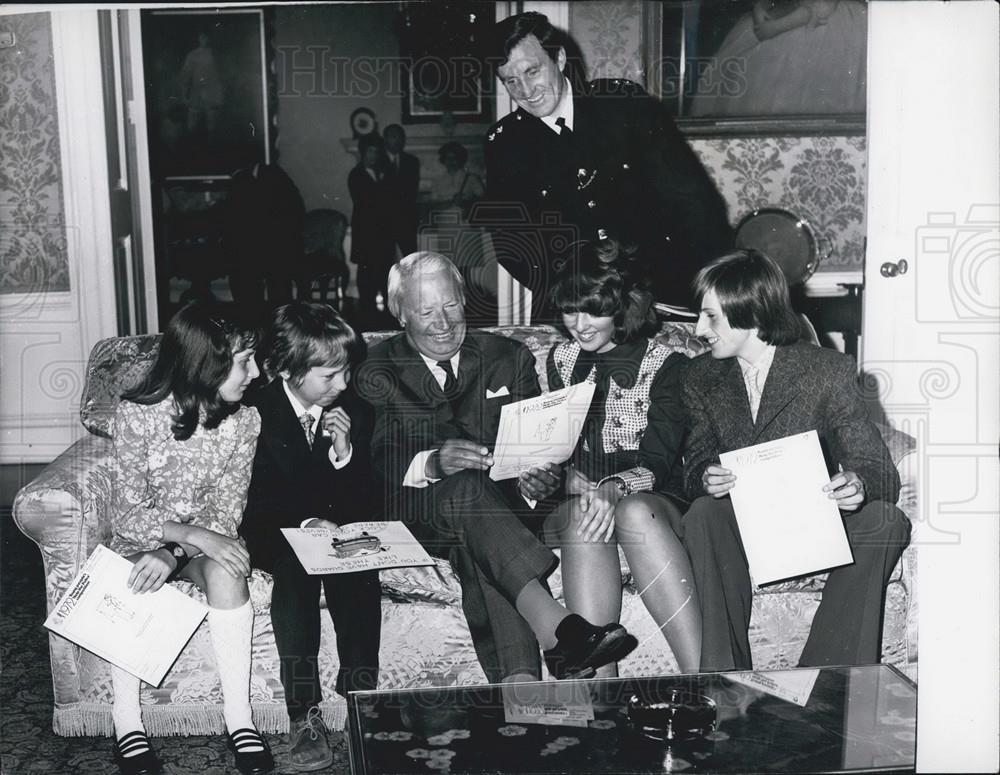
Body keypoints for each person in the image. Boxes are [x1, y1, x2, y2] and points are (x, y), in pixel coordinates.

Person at [354, 251, 638, 683]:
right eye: (426, 311)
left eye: (450, 306)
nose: (443, 322)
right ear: (400, 315)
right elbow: (379, 458)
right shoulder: (377, 367)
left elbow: (537, 444)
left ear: (464, 300)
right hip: (420, 512)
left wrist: (538, 481)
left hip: (500, 513)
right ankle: (559, 631)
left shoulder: (507, 355)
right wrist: (433, 462)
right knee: (467, 489)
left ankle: (523, 692)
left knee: (481, 539)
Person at [680, 249, 911, 671]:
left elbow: (878, 468)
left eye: (710, 317)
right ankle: (726, 681)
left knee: (886, 520)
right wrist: (704, 477)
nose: (698, 329)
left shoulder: (827, 370)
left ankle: (826, 681)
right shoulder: (700, 377)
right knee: (702, 513)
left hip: (811, 526)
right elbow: (693, 464)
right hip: (742, 531)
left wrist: (858, 486)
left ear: (750, 312)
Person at [480, 11, 733, 319]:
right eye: (511, 81)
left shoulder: (624, 108)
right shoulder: (504, 144)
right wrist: (582, 296)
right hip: (572, 309)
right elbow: (512, 245)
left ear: (558, 59)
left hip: (661, 299)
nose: (526, 91)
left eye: (532, 72)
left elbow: (694, 204)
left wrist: (709, 291)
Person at [107, 304, 272, 775]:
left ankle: (239, 719)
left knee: (229, 570)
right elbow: (128, 512)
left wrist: (180, 548)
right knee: (132, 575)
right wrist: (181, 538)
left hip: (197, 546)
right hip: (143, 538)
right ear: (207, 364)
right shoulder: (138, 416)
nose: (255, 373)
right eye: (245, 361)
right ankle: (128, 725)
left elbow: (227, 509)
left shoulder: (244, 423)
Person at [543, 241, 702, 676]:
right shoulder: (560, 361)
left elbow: (660, 460)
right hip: (579, 499)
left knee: (628, 510)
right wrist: (567, 478)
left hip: (650, 493)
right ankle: (603, 697)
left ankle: (703, 676)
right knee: (584, 513)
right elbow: (552, 446)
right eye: (570, 311)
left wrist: (614, 488)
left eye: (593, 311)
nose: (579, 325)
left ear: (623, 307)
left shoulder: (667, 365)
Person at [239, 302, 380, 772]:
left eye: (346, 372)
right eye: (328, 376)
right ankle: (304, 712)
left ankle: (361, 694)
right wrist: (306, 526)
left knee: (358, 566)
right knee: (298, 568)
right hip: (270, 532)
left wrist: (344, 455)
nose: (341, 385)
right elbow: (252, 506)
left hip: (331, 535)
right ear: (287, 369)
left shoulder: (351, 410)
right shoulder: (253, 413)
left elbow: (362, 504)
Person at [348, 133, 395, 313]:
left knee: (384, 274)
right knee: (367, 277)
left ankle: (386, 317)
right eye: (370, 152)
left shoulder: (383, 173)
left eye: (376, 152)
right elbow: (368, 202)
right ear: (362, 153)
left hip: (383, 234)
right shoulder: (356, 175)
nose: (373, 156)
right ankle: (367, 316)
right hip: (366, 234)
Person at [383, 124, 421, 256]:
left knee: (411, 259)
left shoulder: (412, 161)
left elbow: (412, 192)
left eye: (401, 137)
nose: (398, 140)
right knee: (385, 261)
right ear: (385, 139)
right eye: (393, 137)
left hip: (406, 220)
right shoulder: (377, 161)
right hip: (383, 221)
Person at [429, 142, 486, 221]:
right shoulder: (437, 181)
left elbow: (482, 202)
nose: (451, 161)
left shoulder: (471, 178)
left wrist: (465, 203)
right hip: (444, 222)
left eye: (455, 158)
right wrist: (452, 202)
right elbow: (434, 206)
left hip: (466, 222)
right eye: (448, 158)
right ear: (443, 160)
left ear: (461, 160)